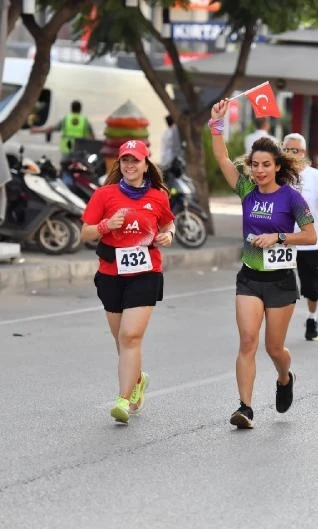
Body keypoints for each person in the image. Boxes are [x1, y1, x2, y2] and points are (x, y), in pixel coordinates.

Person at [209, 100, 316, 429]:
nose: (258, 170)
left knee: (274, 348)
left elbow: (310, 236)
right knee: (247, 341)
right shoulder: (246, 190)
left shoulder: (291, 198)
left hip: (281, 281)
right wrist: (217, 123)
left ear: (277, 166)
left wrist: (279, 237)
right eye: (254, 164)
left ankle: (285, 377)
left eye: (265, 165)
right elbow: (222, 158)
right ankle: (246, 407)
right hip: (250, 278)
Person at [80, 139, 175, 424]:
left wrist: (168, 235)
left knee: (130, 336)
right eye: (125, 160)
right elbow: (85, 232)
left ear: (146, 164)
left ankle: (122, 400)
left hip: (146, 272)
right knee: (121, 340)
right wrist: (105, 226)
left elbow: (168, 223)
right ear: (119, 164)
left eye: (136, 160)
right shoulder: (104, 195)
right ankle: (137, 380)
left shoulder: (158, 196)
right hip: (111, 274)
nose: (130, 165)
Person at [282, 133, 318, 341]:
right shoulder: (277, 174)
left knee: (310, 286)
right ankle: (280, 323)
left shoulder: (314, 176)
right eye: (287, 149)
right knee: (282, 285)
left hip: (309, 241)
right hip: (282, 239)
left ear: (303, 153)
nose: (291, 154)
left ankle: (312, 317)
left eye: (296, 150)